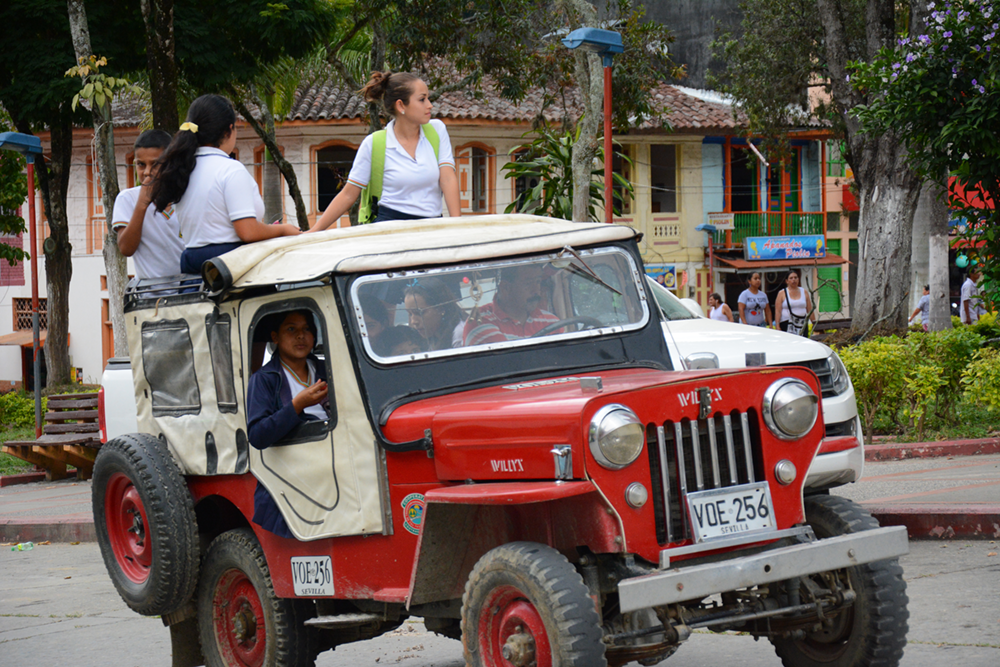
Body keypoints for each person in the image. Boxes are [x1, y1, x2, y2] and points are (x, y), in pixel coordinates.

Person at [149, 94, 300, 275]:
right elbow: (247, 231)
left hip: (192, 265)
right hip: (230, 268)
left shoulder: (182, 169)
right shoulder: (230, 170)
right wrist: (282, 229)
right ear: (229, 130)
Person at [309, 72, 460, 230]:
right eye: (422, 99)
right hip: (389, 230)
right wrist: (313, 232)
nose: (429, 105)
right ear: (401, 105)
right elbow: (348, 194)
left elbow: (447, 178)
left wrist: (459, 228)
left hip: (432, 227)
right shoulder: (374, 144)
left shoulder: (437, 131)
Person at [246, 310, 329, 538]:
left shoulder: (326, 370)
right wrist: (296, 406)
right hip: (290, 479)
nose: (301, 336)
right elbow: (257, 435)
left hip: (331, 471)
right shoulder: (264, 379)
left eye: (307, 329)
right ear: (275, 337)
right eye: (291, 329)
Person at [112, 130, 185, 279]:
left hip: (189, 289)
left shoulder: (186, 197)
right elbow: (126, 249)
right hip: (149, 294)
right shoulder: (128, 199)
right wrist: (142, 204)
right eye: (141, 164)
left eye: (155, 164)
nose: (147, 172)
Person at [464, 264, 561, 346]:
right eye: (528, 283)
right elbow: (510, 362)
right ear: (506, 288)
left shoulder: (551, 321)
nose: (536, 291)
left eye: (538, 282)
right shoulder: (479, 320)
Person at [403, 278, 465, 350]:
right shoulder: (432, 337)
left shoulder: (460, 334)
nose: (413, 321)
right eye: (410, 314)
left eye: (419, 313)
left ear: (441, 309)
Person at [773, 270, 816, 334]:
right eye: (791, 278)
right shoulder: (782, 293)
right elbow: (778, 311)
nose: (794, 280)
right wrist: (777, 325)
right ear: (787, 281)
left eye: (795, 278)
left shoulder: (804, 292)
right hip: (786, 323)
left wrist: (814, 323)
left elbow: (809, 309)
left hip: (802, 323)